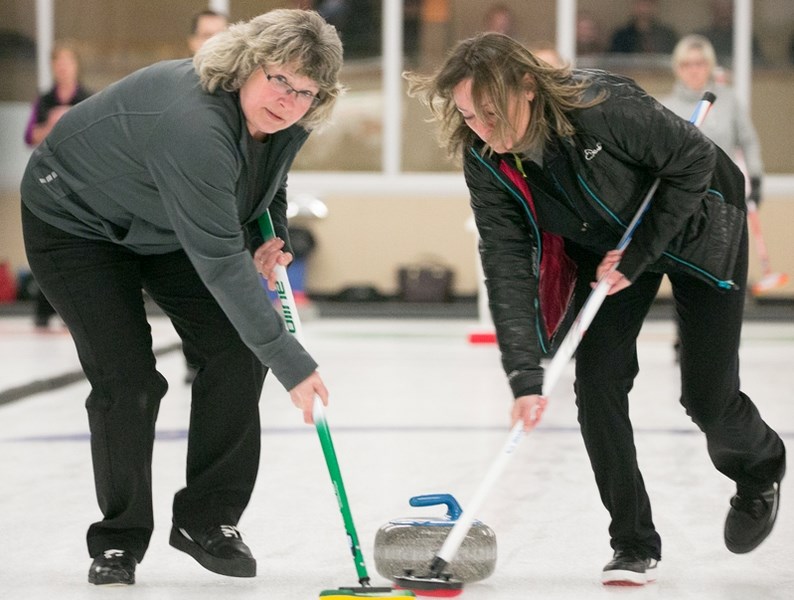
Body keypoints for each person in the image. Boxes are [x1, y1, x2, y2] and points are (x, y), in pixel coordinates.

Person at [405, 32, 785, 586]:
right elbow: (506, 257)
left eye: (490, 111)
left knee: (707, 396)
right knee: (598, 381)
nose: (482, 128)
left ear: (528, 86)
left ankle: (759, 472)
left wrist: (638, 254)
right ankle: (632, 541)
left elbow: (695, 160)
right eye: (468, 115)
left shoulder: (601, 107)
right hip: (601, 246)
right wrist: (523, 375)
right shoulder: (485, 157)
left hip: (699, 222)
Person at [20, 9, 342, 586]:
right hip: (76, 224)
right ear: (249, 64)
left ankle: (207, 519)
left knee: (237, 350)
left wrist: (275, 237)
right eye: (279, 80)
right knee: (129, 380)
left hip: (162, 222)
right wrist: (292, 361)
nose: (289, 100)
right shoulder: (194, 123)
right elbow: (220, 260)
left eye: (305, 91)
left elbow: (268, 179)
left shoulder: (284, 119)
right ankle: (119, 539)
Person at [660, 34, 764, 360]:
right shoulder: (667, 106)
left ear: (709, 66)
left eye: (700, 63)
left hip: (726, 201)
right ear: (678, 68)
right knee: (686, 269)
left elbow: (747, 141)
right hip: (684, 201)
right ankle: (685, 336)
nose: (694, 70)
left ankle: (726, 338)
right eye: (687, 64)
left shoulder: (729, 100)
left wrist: (756, 179)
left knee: (726, 270)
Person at [23, 40, 92, 329]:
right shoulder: (45, 99)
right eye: (58, 63)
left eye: (67, 62)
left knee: (80, 242)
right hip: (48, 178)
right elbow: (29, 135)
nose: (63, 68)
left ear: (76, 66)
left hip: (78, 179)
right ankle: (43, 309)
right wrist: (49, 126)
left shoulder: (87, 97)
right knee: (48, 240)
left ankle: (76, 308)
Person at [184, 9, 229, 384]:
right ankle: (192, 356)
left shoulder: (237, 94)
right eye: (205, 34)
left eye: (220, 34)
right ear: (192, 41)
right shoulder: (176, 87)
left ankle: (211, 359)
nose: (212, 42)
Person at [696, 0, 764, 66]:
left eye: (727, 9)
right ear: (713, 10)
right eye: (719, 9)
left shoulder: (744, 37)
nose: (723, 13)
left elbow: (759, 64)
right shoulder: (702, 38)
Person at [609, 0, 678, 55]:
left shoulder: (667, 35)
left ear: (655, 7)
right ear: (634, 6)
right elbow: (614, 61)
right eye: (641, 4)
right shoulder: (621, 36)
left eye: (648, 4)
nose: (644, 9)